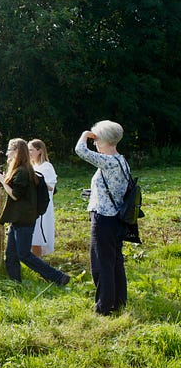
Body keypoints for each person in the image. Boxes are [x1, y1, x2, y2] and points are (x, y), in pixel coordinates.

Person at [0, 138, 69, 286]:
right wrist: (1, 181)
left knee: (24, 254)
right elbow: (14, 188)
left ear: (17, 152)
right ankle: (15, 284)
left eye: (9, 150)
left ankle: (58, 277)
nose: (7, 153)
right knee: (11, 255)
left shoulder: (23, 171)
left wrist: (3, 181)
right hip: (18, 218)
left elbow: (15, 194)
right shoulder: (21, 169)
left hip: (24, 218)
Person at [75, 120, 128, 315]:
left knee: (101, 263)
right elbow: (115, 188)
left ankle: (103, 307)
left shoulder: (108, 161)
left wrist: (85, 135)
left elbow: (80, 150)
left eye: (97, 139)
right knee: (115, 261)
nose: (94, 142)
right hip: (116, 217)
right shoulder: (121, 160)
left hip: (103, 217)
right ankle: (119, 301)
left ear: (104, 139)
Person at [28, 139, 57, 256]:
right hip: (31, 203)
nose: (29, 152)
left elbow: (51, 187)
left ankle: (38, 259)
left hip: (42, 204)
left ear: (39, 151)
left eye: (31, 150)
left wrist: (36, 180)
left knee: (39, 233)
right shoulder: (31, 166)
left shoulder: (47, 167)